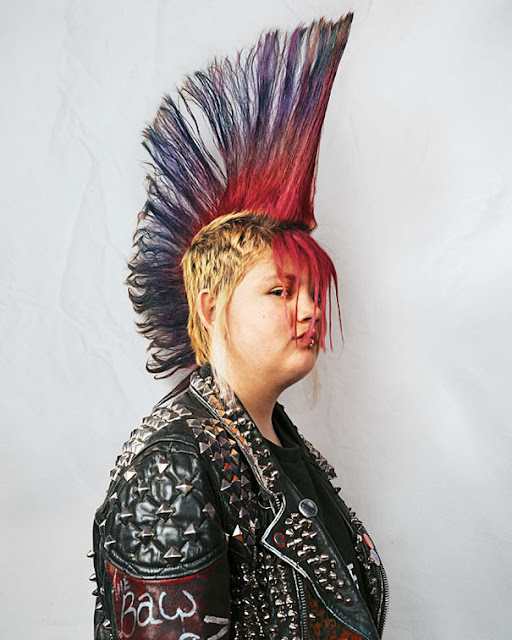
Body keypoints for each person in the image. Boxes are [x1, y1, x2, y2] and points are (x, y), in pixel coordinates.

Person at [90, 12, 389, 640]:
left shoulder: (290, 452)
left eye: (312, 292)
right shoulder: (171, 466)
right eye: (280, 291)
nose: (309, 311)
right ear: (209, 308)